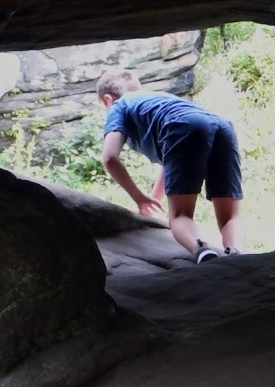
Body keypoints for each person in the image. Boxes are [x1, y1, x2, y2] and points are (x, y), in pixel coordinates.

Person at [96, 70, 244, 263]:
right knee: (230, 217)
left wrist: (139, 199)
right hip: (221, 126)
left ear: (108, 99)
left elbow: (109, 158)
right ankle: (239, 255)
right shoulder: (159, 100)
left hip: (185, 126)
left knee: (180, 217)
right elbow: (170, 161)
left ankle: (203, 252)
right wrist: (152, 202)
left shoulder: (119, 106)